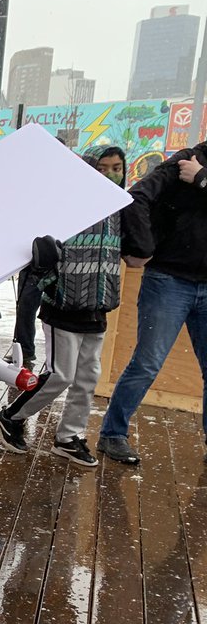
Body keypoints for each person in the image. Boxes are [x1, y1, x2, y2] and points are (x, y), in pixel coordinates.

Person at [0, 147, 127, 467]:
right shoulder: (67, 204)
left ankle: (69, 436)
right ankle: (12, 416)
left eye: (117, 167)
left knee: (87, 376)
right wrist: (45, 280)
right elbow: (37, 244)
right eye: (102, 166)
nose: (110, 173)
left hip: (98, 304)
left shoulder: (121, 209)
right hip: (63, 304)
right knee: (61, 374)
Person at [98, 137, 207, 465]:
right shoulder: (184, 161)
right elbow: (136, 198)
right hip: (169, 280)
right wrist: (144, 248)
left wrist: (203, 180)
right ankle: (113, 433)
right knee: (147, 362)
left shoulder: (197, 171)